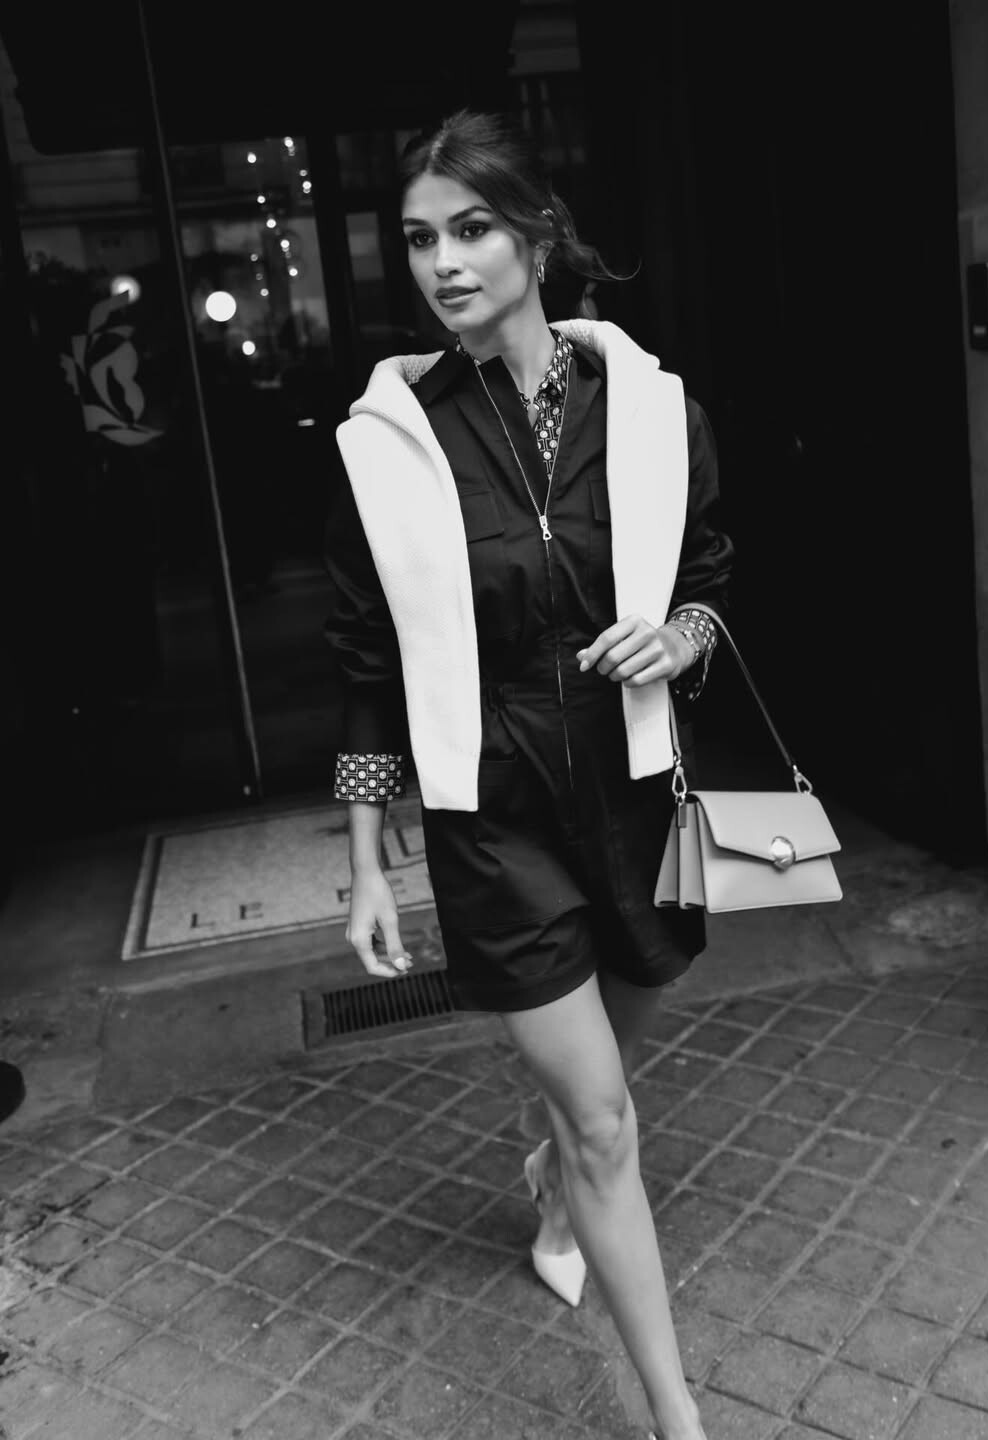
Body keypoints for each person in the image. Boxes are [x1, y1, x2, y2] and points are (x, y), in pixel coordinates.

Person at [323, 110, 733, 1440]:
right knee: (606, 1120)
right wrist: (364, 858)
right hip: (491, 811)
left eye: (472, 229)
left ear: (538, 237)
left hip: (634, 789)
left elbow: (710, 581)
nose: (443, 262)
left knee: (603, 1076)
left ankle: (554, 1180)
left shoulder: (655, 411)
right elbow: (365, 657)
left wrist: (677, 636)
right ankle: (677, 1415)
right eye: (420, 239)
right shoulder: (390, 440)